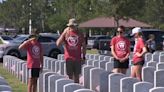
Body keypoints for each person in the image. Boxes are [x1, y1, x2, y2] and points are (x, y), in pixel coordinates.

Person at [56, 18, 86, 83]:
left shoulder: (80, 33)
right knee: (70, 76)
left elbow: (84, 46)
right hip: (68, 58)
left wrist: (83, 57)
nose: (72, 27)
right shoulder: (66, 33)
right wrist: (63, 33)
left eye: (73, 26)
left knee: (77, 76)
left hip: (77, 58)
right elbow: (58, 43)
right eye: (70, 26)